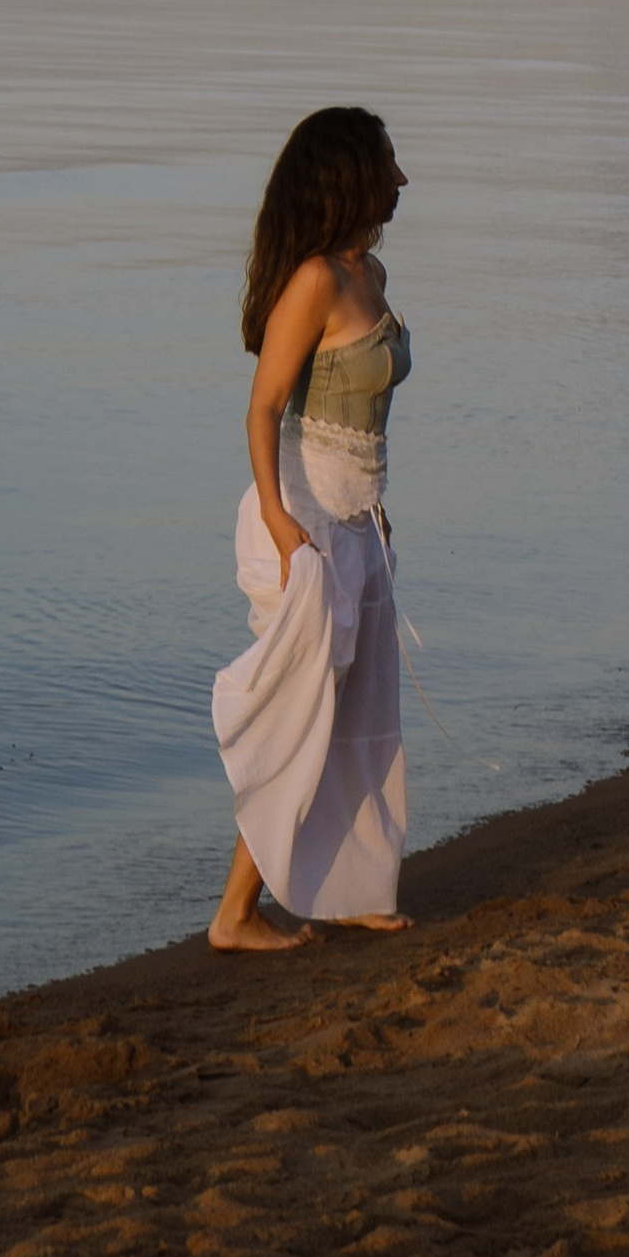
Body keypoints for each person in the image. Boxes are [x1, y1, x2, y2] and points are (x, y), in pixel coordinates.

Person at [209, 105, 413, 952]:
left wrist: (374, 511)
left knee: (360, 714)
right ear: (352, 176)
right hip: (300, 529)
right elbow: (261, 410)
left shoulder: (369, 272)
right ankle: (233, 914)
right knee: (303, 716)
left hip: (353, 525)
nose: (403, 181)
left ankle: (349, 889)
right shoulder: (315, 282)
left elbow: (360, 422)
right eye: (390, 165)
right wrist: (281, 522)